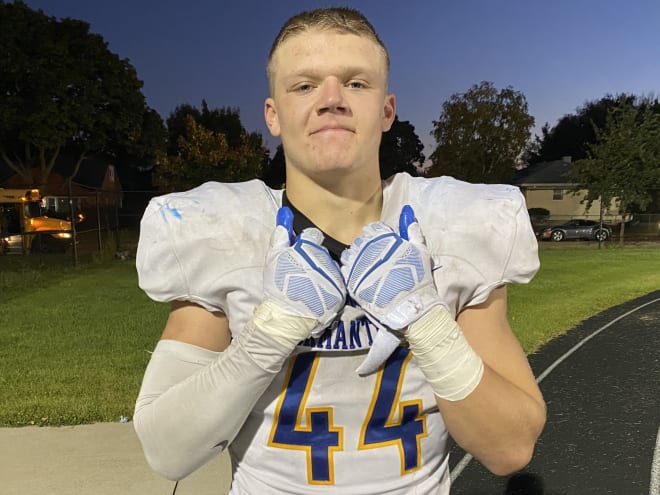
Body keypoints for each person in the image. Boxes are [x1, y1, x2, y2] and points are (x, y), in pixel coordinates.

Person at [133, 7, 546, 494]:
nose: (331, 100)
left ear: (387, 110)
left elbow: (511, 449)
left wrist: (426, 321)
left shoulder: (448, 228)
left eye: (355, 83)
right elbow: (168, 451)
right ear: (274, 115)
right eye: (304, 86)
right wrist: (269, 334)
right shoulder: (227, 234)